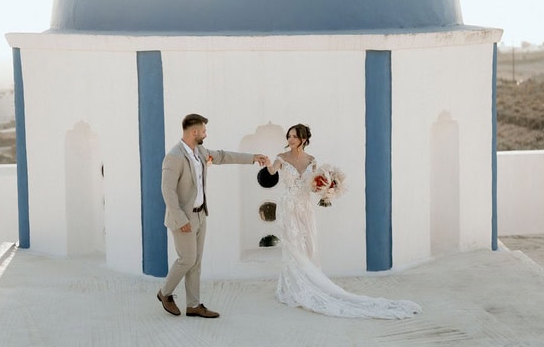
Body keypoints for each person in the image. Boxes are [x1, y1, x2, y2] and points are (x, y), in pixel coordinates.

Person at [265, 123, 421, 319]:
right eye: (289, 136)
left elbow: (311, 186)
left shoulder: (312, 161)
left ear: (303, 139)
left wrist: (327, 190)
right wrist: (265, 164)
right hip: (288, 206)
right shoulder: (282, 157)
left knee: (308, 244)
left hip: (305, 207)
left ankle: (311, 282)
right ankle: (292, 286)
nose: (290, 140)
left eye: (294, 136)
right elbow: (272, 172)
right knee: (292, 245)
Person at [158, 113, 267, 318]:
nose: (206, 134)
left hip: (201, 215)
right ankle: (165, 293)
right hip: (184, 218)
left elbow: (223, 156)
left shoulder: (199, 151)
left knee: (196, 262)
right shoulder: (174, 156)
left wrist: (252, 158)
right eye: (204, 131)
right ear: (194, 132)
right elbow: (167, 191)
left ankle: (193, 305)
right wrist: (181, 220)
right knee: (186, 259)